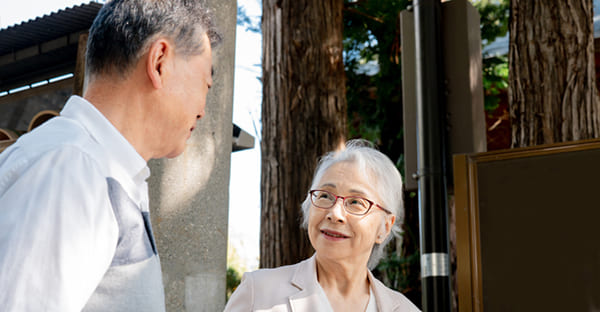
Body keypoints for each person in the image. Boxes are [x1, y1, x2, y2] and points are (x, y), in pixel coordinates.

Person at [0, 0, 221, 311]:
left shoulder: (98, 170)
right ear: (159, 62)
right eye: (205, 85)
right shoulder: (72, 169)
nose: (202, 110)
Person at [225, 140, 420, 312]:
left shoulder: (404, 309)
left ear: (385, 227)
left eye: (356, 202)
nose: (335, 214)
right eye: (325, 196)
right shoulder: (258, 293)